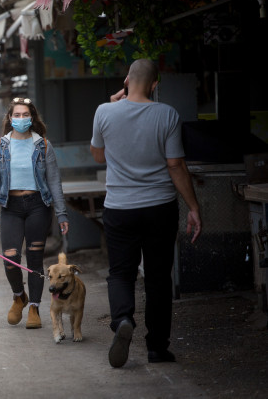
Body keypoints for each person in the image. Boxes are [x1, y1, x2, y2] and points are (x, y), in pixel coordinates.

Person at [90, 58, 202, 368]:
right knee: (157, 278)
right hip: (159, 208)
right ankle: (156, 348)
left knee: (121, 273)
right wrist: (193, 206)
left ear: (127, 80)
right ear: (155, 84)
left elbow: (98, 156)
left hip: (119, 208)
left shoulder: (104, 111)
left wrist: (111, 108)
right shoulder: (166, 114)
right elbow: (176, 165)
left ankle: (123, 317)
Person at [0, 97, 70, 330]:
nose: (21, 119)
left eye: (25, 115)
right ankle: (18, 296)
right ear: (9, 118)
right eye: (17, 115)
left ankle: (34, 306)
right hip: (10, 207)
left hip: (37, 206)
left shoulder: (42, 145)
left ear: (32, 117)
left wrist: (61, 214)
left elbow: (54, 181)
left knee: (34, 258)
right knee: (11, 258)